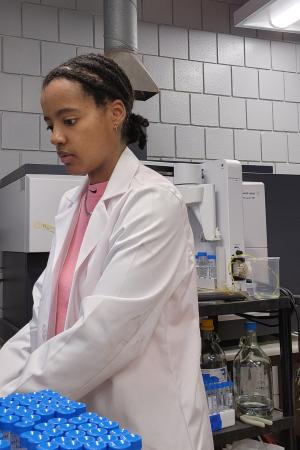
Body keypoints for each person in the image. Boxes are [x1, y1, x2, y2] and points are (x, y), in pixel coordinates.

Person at [0, 54, 213, 450]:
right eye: (50, 124)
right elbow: (42, 322)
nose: (55, 137)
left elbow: (107, 332)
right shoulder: (71, 203)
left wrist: (15, 400)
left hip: (145, 422)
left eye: (69, 120)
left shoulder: (153, 201)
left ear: (115, 113)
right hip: (84, 419)